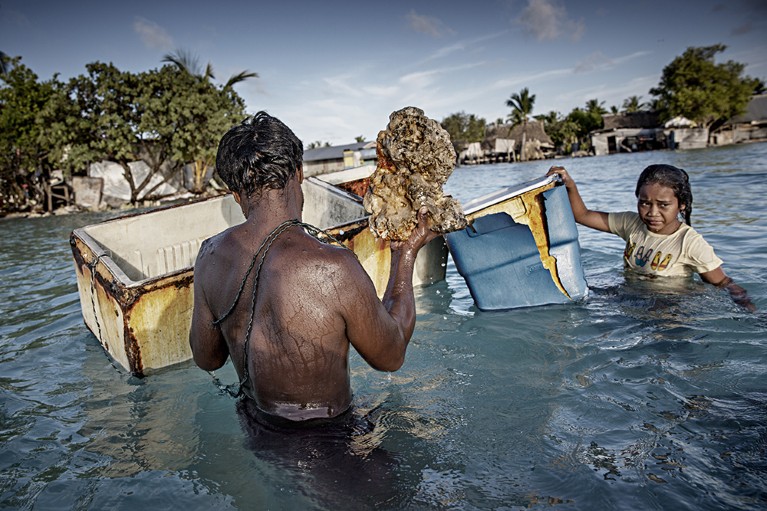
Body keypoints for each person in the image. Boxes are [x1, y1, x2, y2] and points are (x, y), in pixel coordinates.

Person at [189, 111, 440, 426]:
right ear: (299, 172)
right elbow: (391, 355)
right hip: (330, 443)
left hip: (256, 431)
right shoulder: (333, 267)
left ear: (236, 194)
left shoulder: (209, 255)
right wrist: (406, 253)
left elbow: (207, 359)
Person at [547, 164, 755, 311]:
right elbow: (582, 215)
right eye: (645, 203)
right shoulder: (632, 223)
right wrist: (570, 185)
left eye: (664, 205)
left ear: (681, 205)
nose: (652, 212)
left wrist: (751, 312)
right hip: (631, 297)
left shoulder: (689, 243)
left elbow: (723, 282)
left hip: (669, 308)